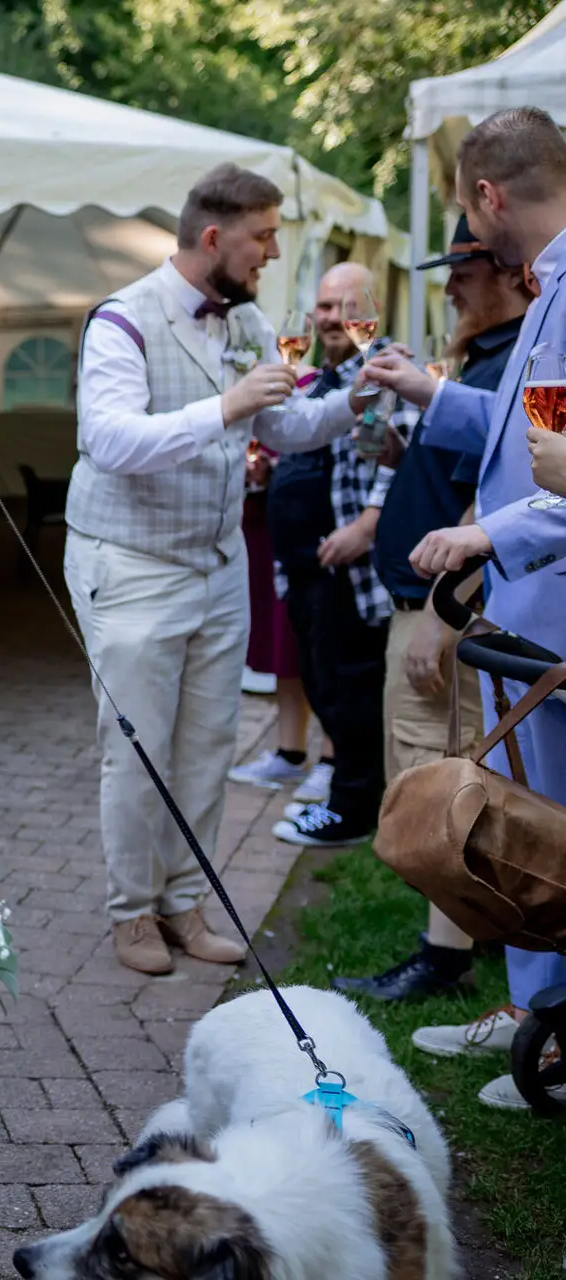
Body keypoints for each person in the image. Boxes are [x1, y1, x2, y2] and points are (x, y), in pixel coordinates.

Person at [64, 162, 367, 975]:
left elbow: (292, 424)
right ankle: (131, 913)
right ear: (213, 237)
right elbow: (111, 441)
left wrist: (357, 399)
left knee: (207, 743)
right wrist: (225, 408)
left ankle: (185, 904)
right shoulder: (120, 321)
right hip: (130, 564)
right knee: (136, 749)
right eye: (262, 237)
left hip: (218, 564)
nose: (272, 253)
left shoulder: (247, 323)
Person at [361, 106, 566, 1112]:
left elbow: (565, 468)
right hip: (526, 618)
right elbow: (536, 432)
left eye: (467, 216)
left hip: (552, 611)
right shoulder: (549, 287)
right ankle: (542, 1022)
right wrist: (429, 391)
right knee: (537, 829)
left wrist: (493, 536)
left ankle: (553, 1039)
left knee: (550, 840)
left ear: (486, 197)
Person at [334, 218, 532, 1003]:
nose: (449, 283)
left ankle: (444, 957)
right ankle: (465, 940)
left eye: (462, 268)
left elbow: (497, 499)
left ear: (510, 267)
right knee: (426, 769)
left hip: (444, 606)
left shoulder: (516, 356)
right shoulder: (487, 352)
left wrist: (444, 618)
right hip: (423, 598)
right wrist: (400, 450)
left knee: (434, 776)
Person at [262, 262, 397, 848]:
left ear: (370, 310)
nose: (330, 318)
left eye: (345, 306)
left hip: (351, 569)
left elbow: (405, 453)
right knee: (324, 688)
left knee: (352, 693)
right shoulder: (321, 378)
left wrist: (367, 525)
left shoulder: (388, 367)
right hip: (305, 570)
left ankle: (352, 811)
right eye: (322, 307)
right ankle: (346, 800)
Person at [232, 442, 334, 802]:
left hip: (320, 531)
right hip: (271, 525)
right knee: (282, 645)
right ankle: (290, 751)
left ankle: (332, 759)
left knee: (323, 652)